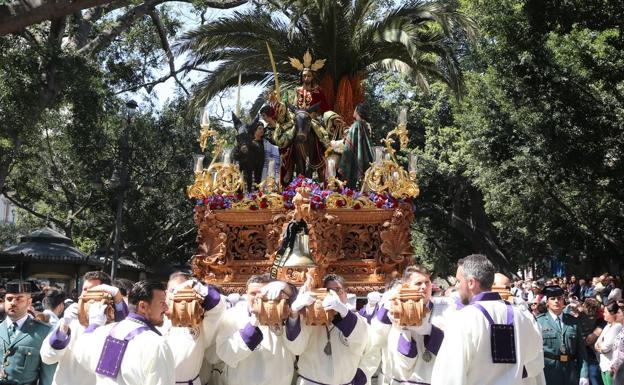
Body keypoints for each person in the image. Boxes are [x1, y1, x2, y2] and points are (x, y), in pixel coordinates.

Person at [431, 254, 544, 385]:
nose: (457, 286)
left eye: (458, 281)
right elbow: (534, 355)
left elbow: (448, 376)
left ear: (471, 282)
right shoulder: (522, 316)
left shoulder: (464, 319)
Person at [74, 280, 174, 385]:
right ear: (143, 307)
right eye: (162, 303)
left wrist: (94, 324)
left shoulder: (103, 332)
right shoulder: (156, 344)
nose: (166, 308)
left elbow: (80, 352)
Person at [40, 271, 129, 385]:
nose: (86, 296)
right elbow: (47, 358)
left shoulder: (115, 327)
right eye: (85, 290)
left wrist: (118, 299)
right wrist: (64, 327)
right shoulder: (71, 322)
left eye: (94, 291)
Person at [368, 265, 452, 385]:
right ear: (405, 287)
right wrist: (385, 310)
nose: (424, 287)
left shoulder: (445, 310)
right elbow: (375, 341)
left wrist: (429, 330)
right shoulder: (392, 310)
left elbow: (451, 349)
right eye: (418, 283)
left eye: (427, 282)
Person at [284, 273, 369, 385]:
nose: (333, 295)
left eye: (338, 290)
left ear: (345, 294)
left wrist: (342, 312)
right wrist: (294, 313)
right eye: (328, 291)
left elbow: (360, 344)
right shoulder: (308, 320)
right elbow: (296, 348)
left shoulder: (358, 320)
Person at [216, 274, 297, 385]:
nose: (258, 297)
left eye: (263, 293)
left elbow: (298, 304)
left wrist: (287, 287)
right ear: (246, 294)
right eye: (253, 293)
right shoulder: (232, 316)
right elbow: (225, 353)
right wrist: (252, 326)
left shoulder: (283, 313)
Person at [161, 272, 225, 385]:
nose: (178, 297)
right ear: (166, 294)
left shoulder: (201, 320)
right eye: (173, 291)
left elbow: (216, 304)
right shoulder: (156, 318)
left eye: (182, 291)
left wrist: (196, 286)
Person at [0, 280, 56, 385]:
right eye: (9, 299)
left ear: (29, 302)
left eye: (19, 299)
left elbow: (48, 374)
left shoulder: (43, 332)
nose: (13, 302)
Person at [537, 285, 589, 385]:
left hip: (570, 370)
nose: (557, 301)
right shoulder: (540, 321)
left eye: (559, 298)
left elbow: (581, 351)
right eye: (552, 299)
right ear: (547, 302)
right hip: (549, 370)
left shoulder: (573, 321)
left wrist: (584, 374)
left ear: (563, 301)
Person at [338, 103, 374, 189]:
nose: (353, 111)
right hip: (365, 158)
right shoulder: (365, 125)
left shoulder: (356, 125)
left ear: (358, 112)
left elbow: (348, 147)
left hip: (354, 160)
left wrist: (342, 164)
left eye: (355, 109)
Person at [596, 301, 623, 385]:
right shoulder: (607, 326)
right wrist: (600, 346)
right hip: (603, 365)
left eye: (605, 312)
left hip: (610, 366)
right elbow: (597, 343)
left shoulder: (618, 327)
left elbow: (605, 348)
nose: (603, 314)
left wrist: (601, 347)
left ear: (612, 313)